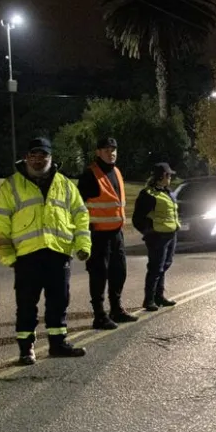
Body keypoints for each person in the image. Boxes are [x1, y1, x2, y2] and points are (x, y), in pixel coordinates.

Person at [0, 137, 91, 365]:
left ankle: (58, 344)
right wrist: (8, 256)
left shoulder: (65, 184)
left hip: (58, 252)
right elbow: (0, 221)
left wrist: (83, 246)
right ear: (26, 157)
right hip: (27, 255)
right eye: (33, 155)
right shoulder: (12, 185)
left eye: (43, 155)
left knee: (59, 301)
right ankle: (26, 349)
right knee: (26, 304)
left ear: (50, 157)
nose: (38, 160)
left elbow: (80, 214)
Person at [77, 136, 138, 330]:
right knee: (98, 275)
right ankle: (99, 314)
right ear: (98, 152)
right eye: (106, 150)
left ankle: (116, 309)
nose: (111, 153)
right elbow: (78, 207)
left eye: (113, 150)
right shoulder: (89, 175)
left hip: (116, 234)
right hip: (97, 235)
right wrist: (84, 232)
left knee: (119, 272)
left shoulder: (117, 172)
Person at [132, 162, 180, 311]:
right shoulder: (148, 194)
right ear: (161, 176)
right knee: (155, 267)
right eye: (168, 175)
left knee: (165, 265)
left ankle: (159, 296)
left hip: (171, 234)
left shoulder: (168, 192)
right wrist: (149, 232)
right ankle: (149, 299)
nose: (170, 177)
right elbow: (137, 219)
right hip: (158, 237)